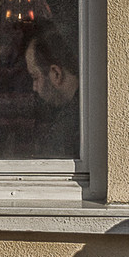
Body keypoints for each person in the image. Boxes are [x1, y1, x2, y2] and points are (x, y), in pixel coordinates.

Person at [21, 25, 80, 158]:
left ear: (56, 74)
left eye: (35, 77)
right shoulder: (85, 111)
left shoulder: (69, 127)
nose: (34, 87)